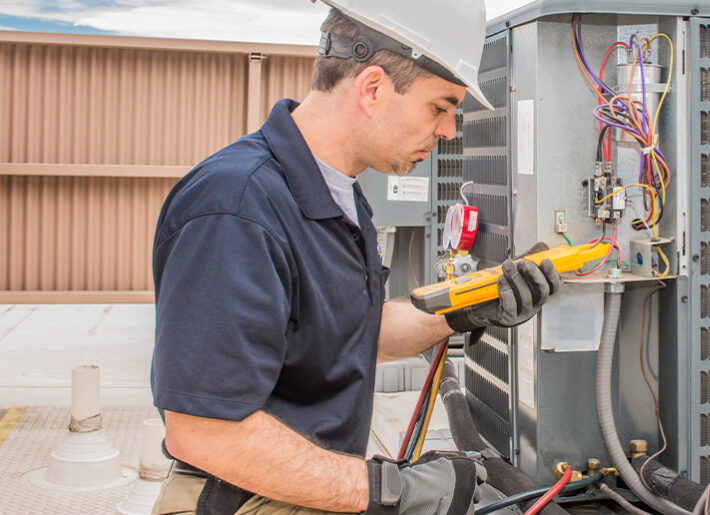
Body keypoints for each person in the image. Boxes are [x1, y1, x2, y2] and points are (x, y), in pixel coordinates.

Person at [149, 1, 561, 513]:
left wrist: (472, 307)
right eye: (440, 107)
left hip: (298, 486)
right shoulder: (235, 207)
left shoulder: (337, 195)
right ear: (372, 88)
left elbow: (350, 336)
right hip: (241, 497)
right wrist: (395, 490)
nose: (449, 131)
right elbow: (204, 432)